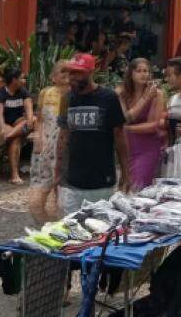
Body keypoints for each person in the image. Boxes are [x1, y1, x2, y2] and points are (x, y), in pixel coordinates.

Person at [54, 53, 130, 215]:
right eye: (70, 73)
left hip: (101, 181)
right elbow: (63, 136)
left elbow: (119, 136)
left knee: (99, 229)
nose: (72, 77)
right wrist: (57, 171)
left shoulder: (108, 98)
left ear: (90, 72)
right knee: (70, 229)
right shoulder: (67, 99)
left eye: (77, 73)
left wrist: (125, 172)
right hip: (72, 181)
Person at [28, 61, 69, 223]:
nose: (66, 75)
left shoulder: (75, 94)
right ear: (53, 77)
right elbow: (39, 118)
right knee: (44, 182)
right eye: (62, 71)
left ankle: (61, 217)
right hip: (46, 144)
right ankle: (44, 219)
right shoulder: (46, 93)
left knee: (62, 183)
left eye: (69, 72)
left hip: (64, 144)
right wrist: (38, 136)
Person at [118, 57, 166, 191]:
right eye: (139, 71)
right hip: (126, 146)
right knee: (124, 187)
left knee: (139, 186)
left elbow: (153, 126)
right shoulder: (121, 93)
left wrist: (126, 128)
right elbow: (124, 118)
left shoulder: (157, 94)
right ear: (131, 74)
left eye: (146, 71)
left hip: (148, 146)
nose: (143, 74)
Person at [0, 67, 34, 184]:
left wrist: (30, 122)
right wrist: (3, 130)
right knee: (15, 139)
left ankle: (9, 136)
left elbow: (29, 110)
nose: (25, 81)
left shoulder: (23, 92)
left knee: (33, 119)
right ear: (14, 80)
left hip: (15, 125)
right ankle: (14, 174)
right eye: (22, 78)